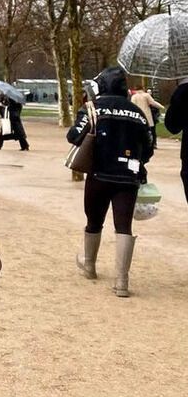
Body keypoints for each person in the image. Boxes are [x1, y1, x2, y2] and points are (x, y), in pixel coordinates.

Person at [70, 67, 157, 297]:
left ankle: (89, 265)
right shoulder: (137, 113)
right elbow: (148, 149)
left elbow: (73, 136)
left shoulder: (94, 109)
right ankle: (122, 282)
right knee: (124, 225)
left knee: (94, 221)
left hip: (99, 173)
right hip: (128, 177)